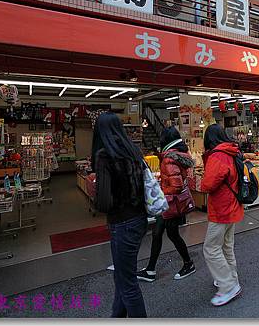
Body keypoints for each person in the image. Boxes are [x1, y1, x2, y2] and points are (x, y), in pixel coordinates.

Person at [92, 112, 148, 318]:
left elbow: (104, 202)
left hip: (121, 223)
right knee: (122, 278)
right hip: (140, 219)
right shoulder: (134, 150)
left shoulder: (104, 155)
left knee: (128, 284)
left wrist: (96, 191)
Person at [137, 126, 196, 283]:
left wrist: (160, 191)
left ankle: (189, 264)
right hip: (171, 203)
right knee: (158, 233)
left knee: (171, 234)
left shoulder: (169, 158)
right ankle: (150, 269)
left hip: (170, 203)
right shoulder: (179, 154)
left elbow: (175, 186)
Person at [200, 124, 244, 307]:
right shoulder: (232, 151)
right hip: (232, 206)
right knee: (226, 246)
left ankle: (227, 285)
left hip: (221, 208)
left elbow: (207, 184)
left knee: (211, 248)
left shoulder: (218, 156)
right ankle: (230, 277)